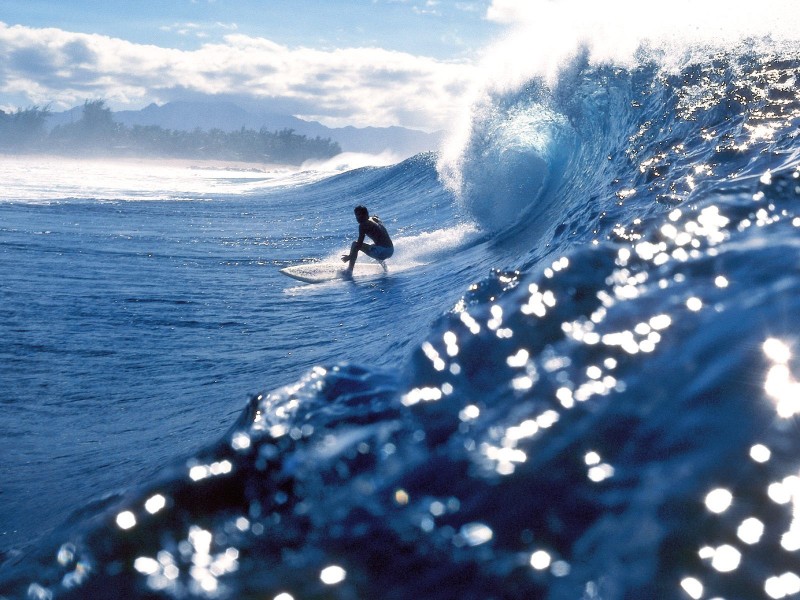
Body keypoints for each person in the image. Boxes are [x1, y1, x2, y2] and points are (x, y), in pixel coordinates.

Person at [341, 205, 393, 273]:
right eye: (357, 216)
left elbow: (358, 245)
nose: (358, 218)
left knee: (354, 244)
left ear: (365, 215)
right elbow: (376, 216)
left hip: (382, 252)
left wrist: (350, 256)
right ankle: (386, 269)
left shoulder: (363, 225)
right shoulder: (375, 219)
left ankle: (349, 271)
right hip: (390, 250)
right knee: (374, 246)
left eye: (359, 215)